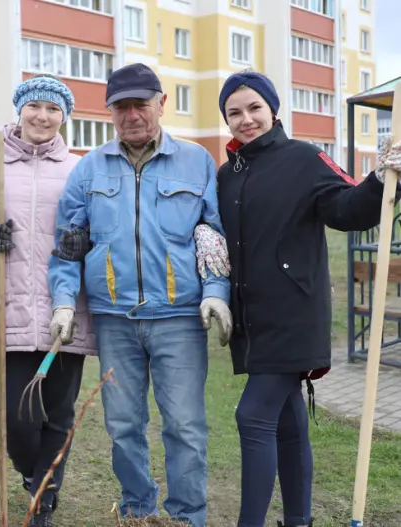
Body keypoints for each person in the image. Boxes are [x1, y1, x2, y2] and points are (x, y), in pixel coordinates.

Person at [47, 63, 232, 527]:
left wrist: (215, 291)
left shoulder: (196, 161)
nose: (132, 115)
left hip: (180, 318)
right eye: (121, 106)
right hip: (115, 320)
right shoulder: (88, 169)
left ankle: (186, 517)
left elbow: (213, 234)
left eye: (141, 104)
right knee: (123, 425)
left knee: (184, 425)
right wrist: (64, 301)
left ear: (161, 104)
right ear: (109, 111)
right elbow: (68, 245)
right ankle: (137, 510)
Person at [216, 70, 401, 527]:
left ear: (273, 110)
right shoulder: (227, 174)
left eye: (254, 108)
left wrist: (382, 178)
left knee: (252, 416)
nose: (246, 119)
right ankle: (299, 521)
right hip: (252, 320)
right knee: (285, 420)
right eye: (234, 113)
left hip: (294, 315)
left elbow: (348, 209)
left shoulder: (304, 157)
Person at [0, 75, 97, 526]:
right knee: (16, 416)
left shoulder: (79, 168)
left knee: (58, 412)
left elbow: (95, 228)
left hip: (65, 306)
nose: (43, 116)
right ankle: (30, 472)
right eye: (35, 106)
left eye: (53, 109)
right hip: (8, 307)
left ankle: (45, 496)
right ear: (19, 111)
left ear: (64, 117)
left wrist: (86, 244)